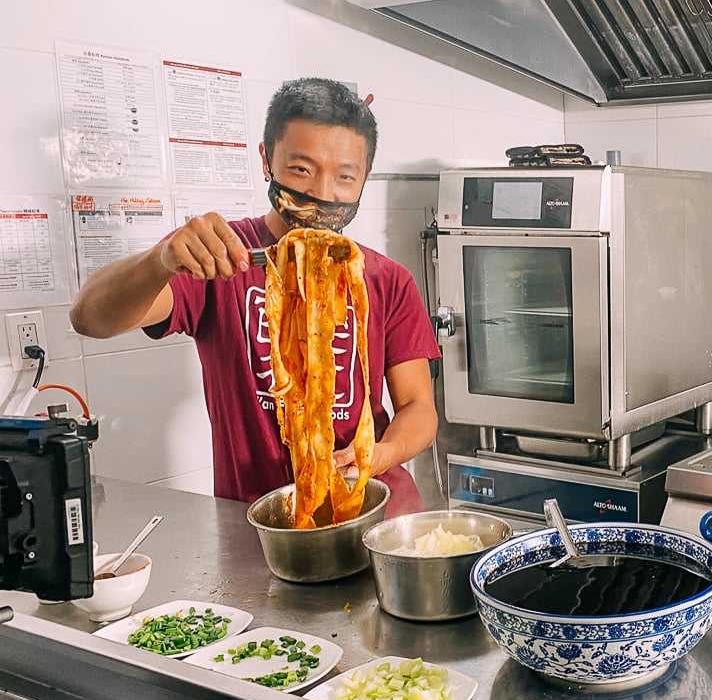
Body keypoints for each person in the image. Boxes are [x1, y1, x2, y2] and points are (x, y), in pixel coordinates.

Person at [70, 78, 439, 513]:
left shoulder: (385, 279)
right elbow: (88, 318)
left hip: (372, 508)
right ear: (266, 159)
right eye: (302, 169)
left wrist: (381, 454)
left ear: (364, 177)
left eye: (345, 176)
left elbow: (418, 406)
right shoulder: (221, 258)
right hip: (260, 522)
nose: (322, 194)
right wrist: (159, 262)